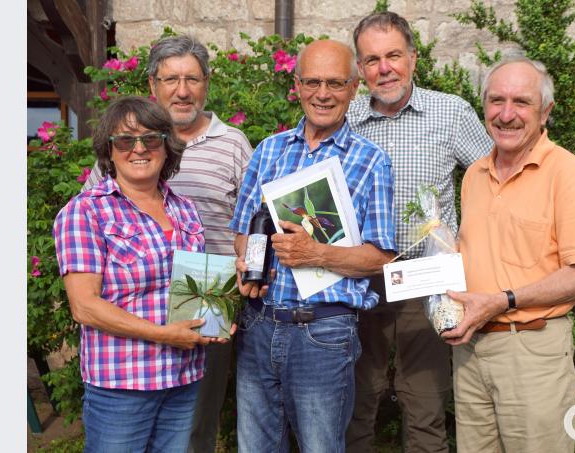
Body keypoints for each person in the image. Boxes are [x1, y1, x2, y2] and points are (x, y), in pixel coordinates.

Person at [82, 35, 253, 452]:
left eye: (192, 79)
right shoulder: (125, 146)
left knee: (194, 429)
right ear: (152, 84)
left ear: (206, 83)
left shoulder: (233, 145)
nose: (182, 90)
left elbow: (249, 226)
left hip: (205, 310)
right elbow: (92, 224)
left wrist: (246, 267)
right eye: (171, 78)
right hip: (132, 323)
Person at [229, 39, 396, 453]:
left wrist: (317, 254)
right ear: (298, 85)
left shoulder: (371, 161)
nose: (323, 94)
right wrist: (247, 261)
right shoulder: (269, 150)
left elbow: (381, 256)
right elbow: (241, 230)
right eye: (313, 82)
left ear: (354, 87)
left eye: (336, 83)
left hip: (323, 330)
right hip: (258, 323)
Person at [441, 53, 575, 452]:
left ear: (545, 111)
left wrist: (502, 301)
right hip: (471, 349)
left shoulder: (567, 173)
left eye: (521, 102)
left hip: (531, 351)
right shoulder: (475, 175)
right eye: (496, 101)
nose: (506, 114)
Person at [345, 11, 493, 453]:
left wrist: (467, 241)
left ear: (413, 57)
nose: (384, 68)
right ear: (360, 67)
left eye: (393, 55)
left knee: (425, 400)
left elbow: (492, 178)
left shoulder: (450, 112)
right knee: (357, 394)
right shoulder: (345, 119)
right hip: (360, 276)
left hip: (428, 278)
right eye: (372, 60)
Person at [53, 96, 218, 452]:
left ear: (166, 146)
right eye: (125, 140)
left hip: (183, 378)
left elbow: (197, 291)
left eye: (151, 138)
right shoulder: (85, 212)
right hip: (123, 385)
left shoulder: (184, 209)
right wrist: (164, 335)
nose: (139, 148)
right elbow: (84, 306)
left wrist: (217, 318)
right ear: (109, 151)